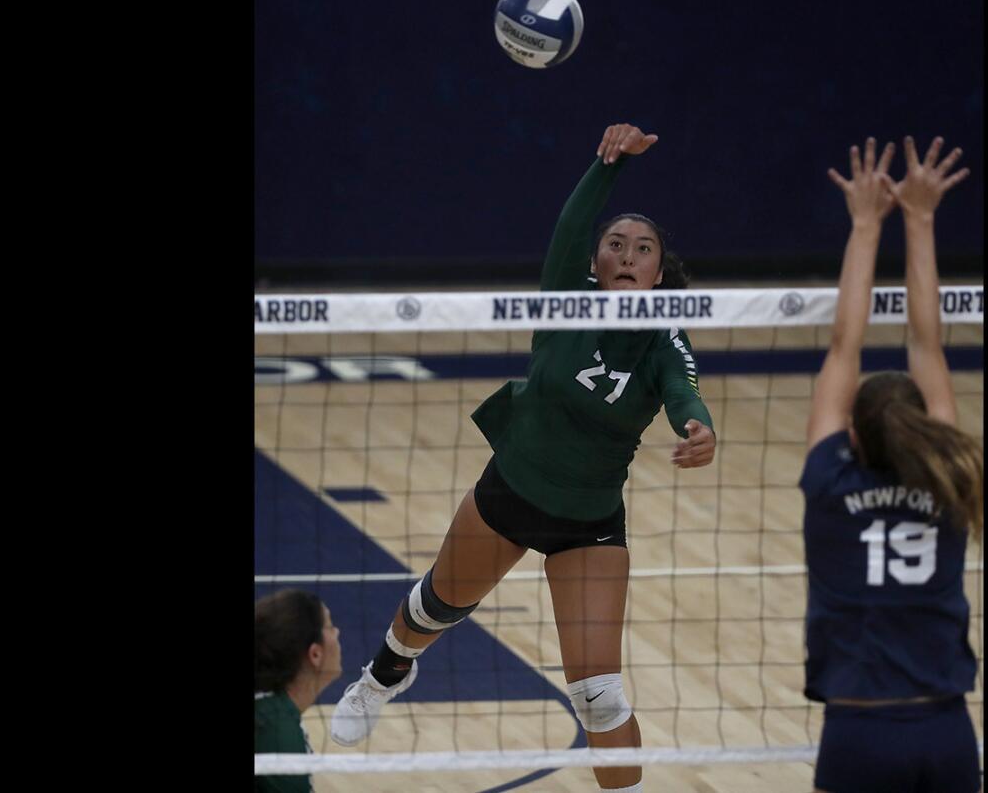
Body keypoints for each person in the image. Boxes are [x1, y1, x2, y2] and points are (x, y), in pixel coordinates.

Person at [330, 123, 717, 793]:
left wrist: (698, 428)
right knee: (432, 611)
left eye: (642, 249)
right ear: (594, 263)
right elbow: (572, 223)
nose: (626, 256)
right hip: (512, 492)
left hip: (589, 522)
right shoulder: (565, 300)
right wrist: (608, 165)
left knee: (598, 692)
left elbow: (685, 389)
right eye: (615, 246)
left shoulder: (664, 337)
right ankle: (384, 675)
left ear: (659, 272)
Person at [801, 136, 983, 793]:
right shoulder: (949, 482)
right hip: (947, 733)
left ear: (850, 431)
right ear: (925, 430)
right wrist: (922, 219)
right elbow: (928, 343)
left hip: (859, 735)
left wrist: (865, 224)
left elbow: (844, 343)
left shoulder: (829, 483)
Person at [255, 588, 345, 793]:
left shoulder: (271, 710)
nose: (337, 632)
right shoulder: (278, 734)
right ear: (315, 654)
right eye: (330, 627)